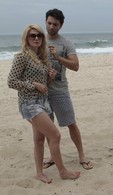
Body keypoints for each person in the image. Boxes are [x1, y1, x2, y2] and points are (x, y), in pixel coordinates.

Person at [7, 24, 80, 183]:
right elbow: (11, 81)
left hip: (43, 101)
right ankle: (62, 171)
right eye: (32, 36)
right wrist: (33, 85)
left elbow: (43, 85)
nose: (36, 38)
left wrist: (49, 78)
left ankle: (39, 173)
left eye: (39, 35)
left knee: (39, 140)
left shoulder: (41, 58)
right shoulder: (21, 57)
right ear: (26, 38)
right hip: (29, 103)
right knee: (55, 135)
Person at [43, 8, 93, 170]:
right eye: (49, 23)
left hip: (60, 91)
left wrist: (58, 57)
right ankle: (52, 155)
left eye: (55, 24)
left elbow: (76, 66)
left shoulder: (66, 43)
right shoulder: (38, 40)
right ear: (46, 22)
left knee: (71, 123)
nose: (51, 27)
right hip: (42, 93)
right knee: (48, 127)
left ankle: (81, 156)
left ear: (61, 25)